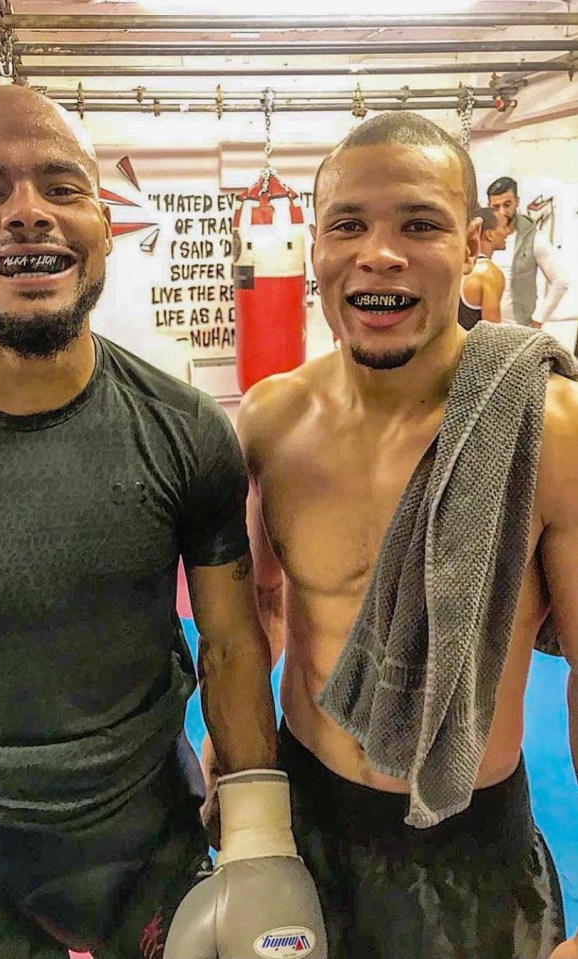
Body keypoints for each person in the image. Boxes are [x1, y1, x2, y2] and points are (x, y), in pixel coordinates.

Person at [0, 85, 326, 959]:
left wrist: (258, 837)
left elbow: (232, 644)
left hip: (149, 832)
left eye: (61, 185)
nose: (27, 214)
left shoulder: (185, 430)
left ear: (103, 219)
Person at [238, 111, 578, 959]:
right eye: (347, 225)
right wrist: (241, 777)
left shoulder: (550, 426)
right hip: (305, 820)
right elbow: (260, 612)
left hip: (467, 846)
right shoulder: (270, 421)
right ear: (312, 249)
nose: (377, 253)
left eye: (418, 224)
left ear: (470, 246)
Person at [486, 175, 569, 328]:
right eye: (495, 207)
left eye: (507, 204)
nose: (502, 212)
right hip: (486, 329)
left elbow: (560, 282)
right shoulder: (482, 237)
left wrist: (538, 320)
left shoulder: (535, 238)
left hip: (520, 328)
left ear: (517, 202)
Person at [458, 206, 507, 329]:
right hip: (472, 347)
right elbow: (492, 335)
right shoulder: (489, 273)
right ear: (490, 234)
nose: (507, 232)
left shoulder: (459, 266)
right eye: (504, 227)